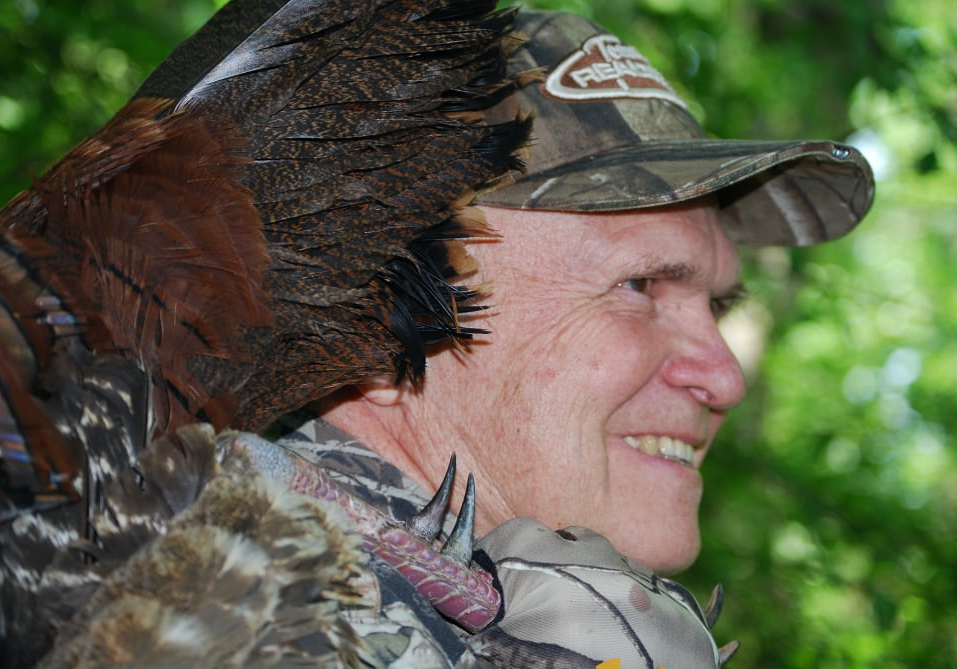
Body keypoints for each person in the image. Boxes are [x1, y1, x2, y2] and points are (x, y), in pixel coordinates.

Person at [270, 8, 873, 666]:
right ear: (379, 327)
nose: (727, 379)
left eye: (721, 304)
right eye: (639, 286)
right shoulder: (220, 609)